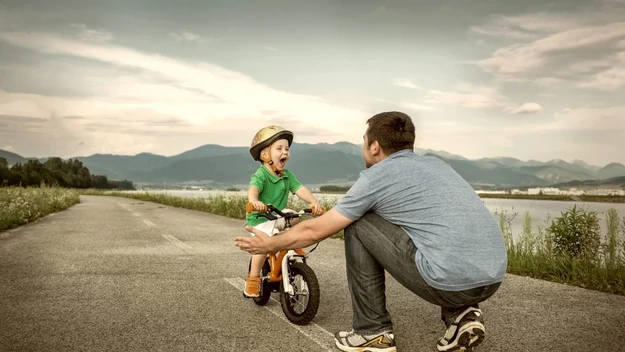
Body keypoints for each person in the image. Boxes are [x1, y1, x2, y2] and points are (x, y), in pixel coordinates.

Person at [235, 112, 508, 352]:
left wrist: (270, 244)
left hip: (448, 283)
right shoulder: (438, 165)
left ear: (375, 146)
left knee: (356, 220)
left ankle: (372, 331)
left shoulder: (377, 177)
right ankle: (463, 316)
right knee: (433, 232)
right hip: (493, 276)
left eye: (364, 142)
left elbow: (318, 229)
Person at [243, 125, 324, 298]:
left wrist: (313, 201)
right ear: (265, 154)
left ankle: (290, 245)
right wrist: (254, 202)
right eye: (279, 148)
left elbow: (300, 189)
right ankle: (253, 278)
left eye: (286, 149)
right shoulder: (261, 175)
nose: (285, 152)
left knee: (294, 217)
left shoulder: (287, 175)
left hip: (278, 215)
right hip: (260, 219)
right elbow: (253, 189)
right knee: (264, 245)